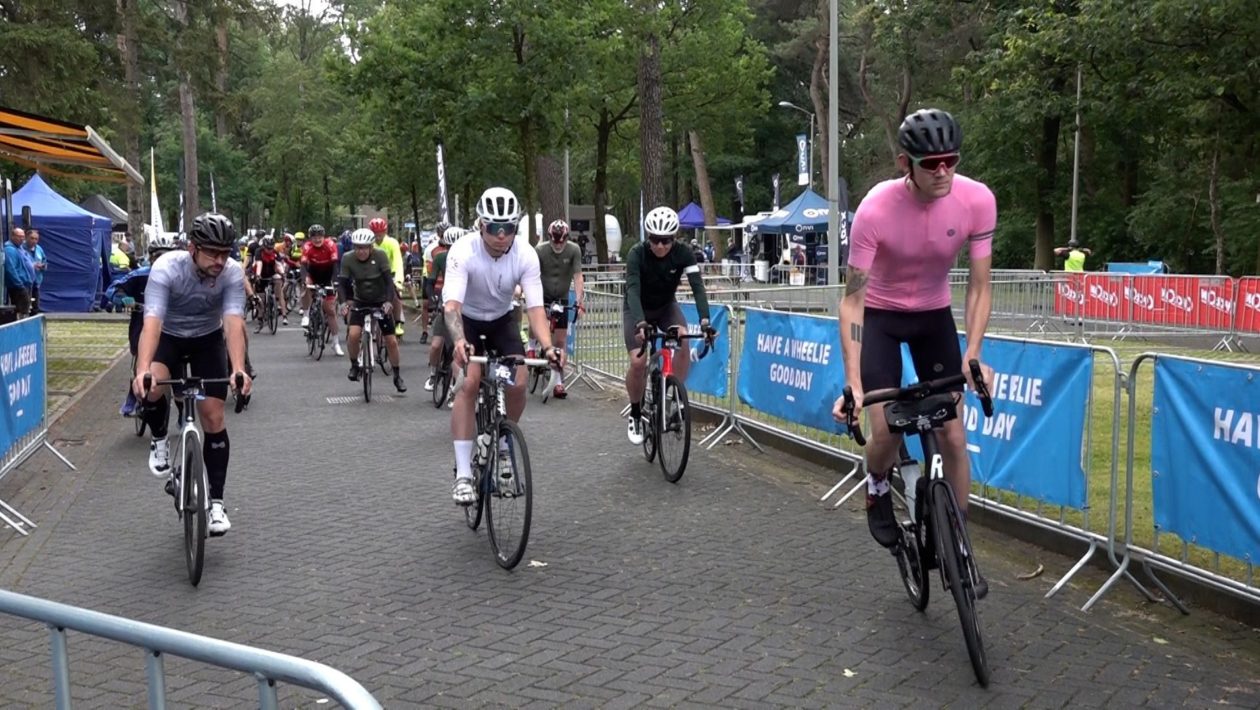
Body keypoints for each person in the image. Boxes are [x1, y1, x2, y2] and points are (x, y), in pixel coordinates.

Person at [829, 107, 995, 597]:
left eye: (952, 160)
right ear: (907, 163)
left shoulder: (977, 200)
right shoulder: (876, 209)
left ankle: (959, 540)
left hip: (932, 317)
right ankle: (878, 483)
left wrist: (974, 354)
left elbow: (981, 287)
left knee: (953, 435)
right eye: (931, 163)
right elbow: (852, 300)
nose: (944, 171)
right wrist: (855, 383)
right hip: (879, 316)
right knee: (885, 427)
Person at [133, 213, 252, 536]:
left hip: (207, 339)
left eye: (225, 252)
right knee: (152, 386)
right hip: (168, 336)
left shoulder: (231, 272)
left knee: (213, 416)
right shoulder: (167, 268)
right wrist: (143, 369)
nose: (219, 259)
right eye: (212, 252)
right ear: (191, 248)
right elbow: (152, 322)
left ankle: (216, 504)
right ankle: (159, 439)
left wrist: (238, 369)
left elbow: (233, 322)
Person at [443, 187, 562, 505]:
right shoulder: (462, 251)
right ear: (480, 225)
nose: (501, 235)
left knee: (519, 382)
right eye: (494, 227)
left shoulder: (526, 254)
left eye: (508, 228)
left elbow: (536, 310)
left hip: (500, 321)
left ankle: (502, 440)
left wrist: (548, 348)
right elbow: (452, 306)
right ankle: (464, 474)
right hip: (466, 320)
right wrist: (458, 341)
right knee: (469, 382)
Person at [622, 206, 715, 443]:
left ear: (674, 238)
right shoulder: (636, 254)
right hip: (637, 309)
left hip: (665, 308)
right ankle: (634, 411)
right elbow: (632, 290)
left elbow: (697, 287)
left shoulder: (684, 253)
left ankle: (674, 395)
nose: (661, 246)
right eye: (655, 240)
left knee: (683, 342)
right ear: (647, 238)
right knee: (638, 361)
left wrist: (705, 321)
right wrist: (640, 323)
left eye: (666, 241)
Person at [107, 233, 179, 416]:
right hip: (143, 324)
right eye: (157, 256)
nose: (162, 260)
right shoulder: (139, 275)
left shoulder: (180, 277)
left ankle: (181, 406)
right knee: (142, 356)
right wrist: (123, 299)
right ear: (151, 257)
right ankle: (133, 392)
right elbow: (113, 289)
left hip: (172, 326)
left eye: (166, 256)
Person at [339, 228, 406, 392]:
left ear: (371, 247)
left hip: (380, 300)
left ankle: (397, 375)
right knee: (353, 335)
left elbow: (389, 282)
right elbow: (342, 283)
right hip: (360, 301)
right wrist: (343, 303)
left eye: (364, 247)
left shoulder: (380, 255)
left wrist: (389, 302)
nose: (361, 251)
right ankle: (354, 364)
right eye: (358, 247)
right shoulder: (348, 259)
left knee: (391, 340)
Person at [533, 219, 585, 399]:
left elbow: (578, 277)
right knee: (537, 323)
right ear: (549, 238)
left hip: (561, 297)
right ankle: (532, 345)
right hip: (542, 294)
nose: (558, 245)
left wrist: (578, 301)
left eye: (562, 241)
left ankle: (558, 382)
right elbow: (532, 275)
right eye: (555, 241)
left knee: (560, 342)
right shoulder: (540, 250)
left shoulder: (574, 250)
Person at [423, 226, 461, 393]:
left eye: (456, 247)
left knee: (459, 349)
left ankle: (455, 383)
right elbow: (431, 280)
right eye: (449, 247)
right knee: (436, 345)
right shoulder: (440, 258)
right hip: (445, 302)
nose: (452, 250)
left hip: (463, 306)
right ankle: (432, 374)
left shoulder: (469, 259)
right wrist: (432, 298)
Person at [300, 224, 344, 356]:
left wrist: (335, 281)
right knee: (306, 284)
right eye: (314, 237)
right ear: (310, 238)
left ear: (324, 237)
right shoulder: (307, 247)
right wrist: (303, 280)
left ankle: (335, 343)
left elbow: (335, 265)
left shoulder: (330, 245)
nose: (317, 240)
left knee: (330, 310)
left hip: (327, 275)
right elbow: (303, 265)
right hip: (313, 274)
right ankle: (306, 314)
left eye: (320, 237)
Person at [368, 218, 406, 337]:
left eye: (380, 234)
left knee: (396, 295)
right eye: (375, 234)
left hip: (390, 273)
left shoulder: (392, 242)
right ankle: (370, 325)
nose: (378, 237)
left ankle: (398, 323)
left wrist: (399, 280)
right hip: (373, 273)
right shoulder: (369, 243)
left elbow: (398, 262)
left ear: (385, 232)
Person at [420, 221, 451, 342]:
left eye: (445, 233)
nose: (444, 235)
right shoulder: (430, 249)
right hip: (433, 280)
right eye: (441, 233)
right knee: (426, 305)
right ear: (438, 234)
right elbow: (429, 269)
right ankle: (424, 331)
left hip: (448, 283)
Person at [250, 236, 289, 326]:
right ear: (263, 247)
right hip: (260, 274)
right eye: (268, 248)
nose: (270, 250)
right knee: (261, 298)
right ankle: (260, 316)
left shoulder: (275, 252)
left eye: (271, 248)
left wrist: (282, 273)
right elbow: (259, 263)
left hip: (271, 273)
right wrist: (258, 275)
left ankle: (284, 315)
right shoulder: (259, 251)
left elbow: (279, 264)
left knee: (279, 287)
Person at [5, 227, 34, 317]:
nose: (22, 239)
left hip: (26, 284)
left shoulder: (20, 248)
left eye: (23, 237)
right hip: (18, 286)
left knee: (26, 309)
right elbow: (11, 269)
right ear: (13, 236)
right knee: (22, 310)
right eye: (19, 236)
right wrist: (19, 284)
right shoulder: (10, 250)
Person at [24, 229, 46, 315]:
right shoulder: (21, 248)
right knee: (26, 305)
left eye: (36, 239)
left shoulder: (39, 249)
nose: (34, 241)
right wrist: (32, 265)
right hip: (25, 282)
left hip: (36, 281)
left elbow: (44, 260)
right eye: (32, 238)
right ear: (26, 238)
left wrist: (43, 266)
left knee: (35, 305)